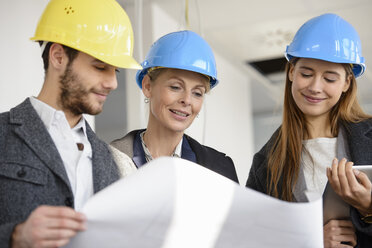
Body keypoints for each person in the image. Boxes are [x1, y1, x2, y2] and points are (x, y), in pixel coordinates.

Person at [0, 0, 141, 247]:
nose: (112, 83)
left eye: (115, 71)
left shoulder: (110, 159)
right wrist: (15, 236)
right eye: (100, 67)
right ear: (58, 57)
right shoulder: (3, 134)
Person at [246, 13, 372, 247]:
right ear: (292, 72)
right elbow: (253, 239)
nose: (315, 87)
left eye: (330, 78)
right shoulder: (265, 162)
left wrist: (368, 208)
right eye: (306, 73)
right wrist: (312, 242)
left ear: (346, 83)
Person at [111, 30, 238, 183]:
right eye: (176, 87)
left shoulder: (220, 168)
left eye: (197, 93)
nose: (187, 100)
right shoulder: (108, 159)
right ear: (148, 86)